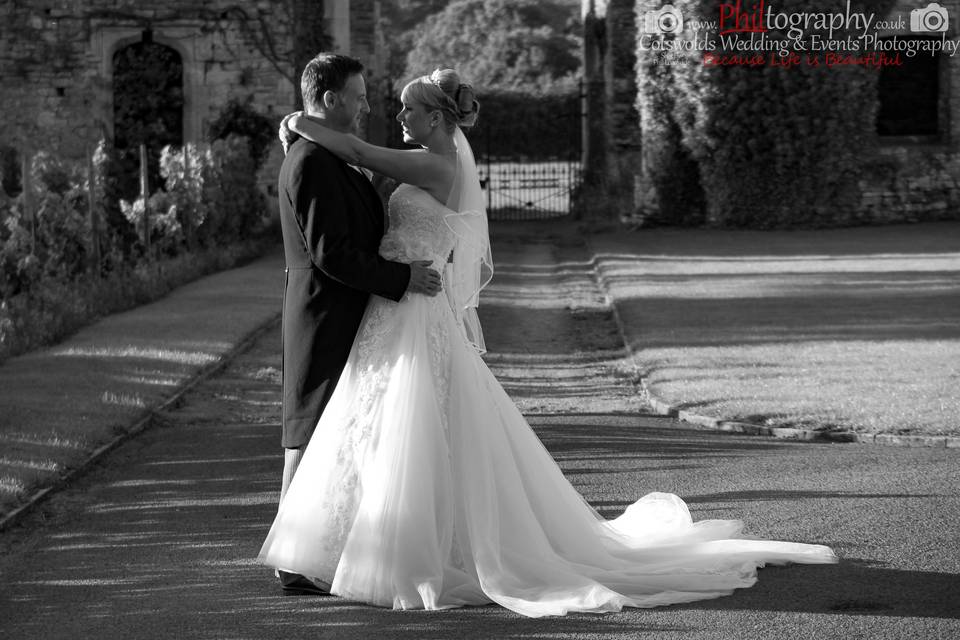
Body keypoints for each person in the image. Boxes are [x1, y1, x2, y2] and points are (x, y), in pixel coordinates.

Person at [259, 68, 837, 617]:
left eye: (408, 106)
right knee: (386, 427)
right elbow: (363, 184)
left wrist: (296, 123)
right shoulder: (419, 161)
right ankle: (369, 541)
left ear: (437, 119)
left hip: (413, 304)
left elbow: (358, 155)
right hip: (394, 309)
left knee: (416, 426)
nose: (395, 112)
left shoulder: (438, 168)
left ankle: (415, 550)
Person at [273, 53, 442, 595]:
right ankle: (294, 559)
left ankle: (316, 551)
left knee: (331, 429)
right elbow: (331, 253)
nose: (369, 104)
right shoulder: (313, 161)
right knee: (310, 426)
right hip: (325, 308)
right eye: (360, 95)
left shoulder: (328, 155)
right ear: (329, 100)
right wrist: (401, 277)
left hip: (344, 307)